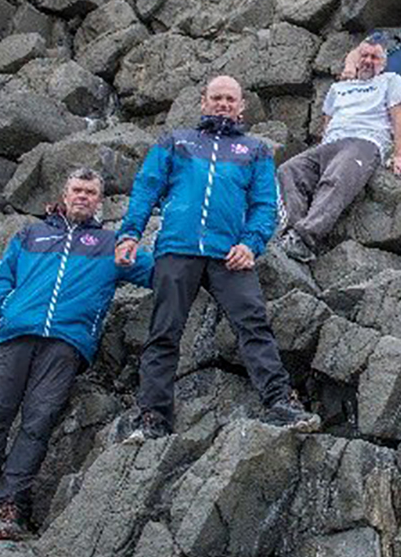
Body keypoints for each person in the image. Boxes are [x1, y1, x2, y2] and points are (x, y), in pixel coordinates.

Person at [0, 169, 154, 540]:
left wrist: (206, 263)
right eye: (77, 190)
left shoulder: (111, 245)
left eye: (91, 192)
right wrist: (8, 305)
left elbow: (160, 273)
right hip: (16, 335)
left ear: (101, 201)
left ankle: (8, 508)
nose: (83, 196)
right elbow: (1, 280)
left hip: (66, 343)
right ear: (65, 195)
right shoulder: (30, 235)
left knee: (38, 421)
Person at [114, 75, 317, 442]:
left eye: (230, 99)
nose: (223, 104)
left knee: (254, 324)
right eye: (217, 98)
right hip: (177, 248)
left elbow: (264, 206)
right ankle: (153, 418)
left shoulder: (255, 151)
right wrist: (129, 233)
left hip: (230, 254)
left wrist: (250, 244)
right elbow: (146, 187)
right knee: (163, 332)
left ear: (241, 107)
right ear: (203, 103)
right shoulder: (176, 142)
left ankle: (280, 402)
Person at [278, 38, 401, 264]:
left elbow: (400, 118)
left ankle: (305, 237)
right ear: (356, 58)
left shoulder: (391, 81)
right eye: (364, 55)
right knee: (288, 169)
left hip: (364, 140)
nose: (368, 61)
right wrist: (322, 148)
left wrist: (400, 156)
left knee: (337, 176)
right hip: (330, 144)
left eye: (375, 57)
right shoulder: (338, 88)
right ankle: (292, 233)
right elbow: (327, 123)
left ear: (383, 63)